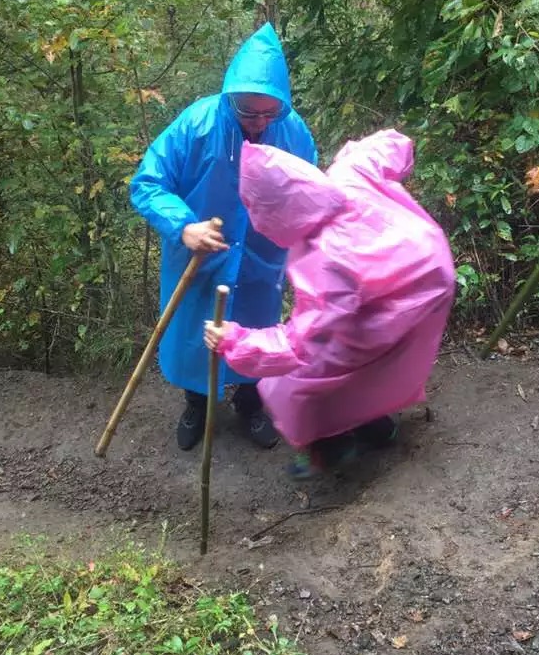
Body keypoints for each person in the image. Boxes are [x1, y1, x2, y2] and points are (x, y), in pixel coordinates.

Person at [203, 129, 456, 478]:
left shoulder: (326, 257)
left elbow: (301, 344)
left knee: (304, 379)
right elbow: (392, 145)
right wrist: (354, 153)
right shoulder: (347, 174)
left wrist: (234, 341)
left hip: (403, 299)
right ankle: (378, 426)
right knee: (374, 360)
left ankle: (334, 445)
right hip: (430, 269)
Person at [130, 23, 316, 451]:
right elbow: (147, 184)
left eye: (269, 113)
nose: (259, 123)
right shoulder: (196, 124)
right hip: (198, 258)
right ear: (231, 97)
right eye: (249, 113)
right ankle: (196, 404)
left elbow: (310, 190)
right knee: (197, 336)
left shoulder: (292, 131)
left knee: (257, 330)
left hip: (260, 258)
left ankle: (251, 406)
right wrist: (183, 226)